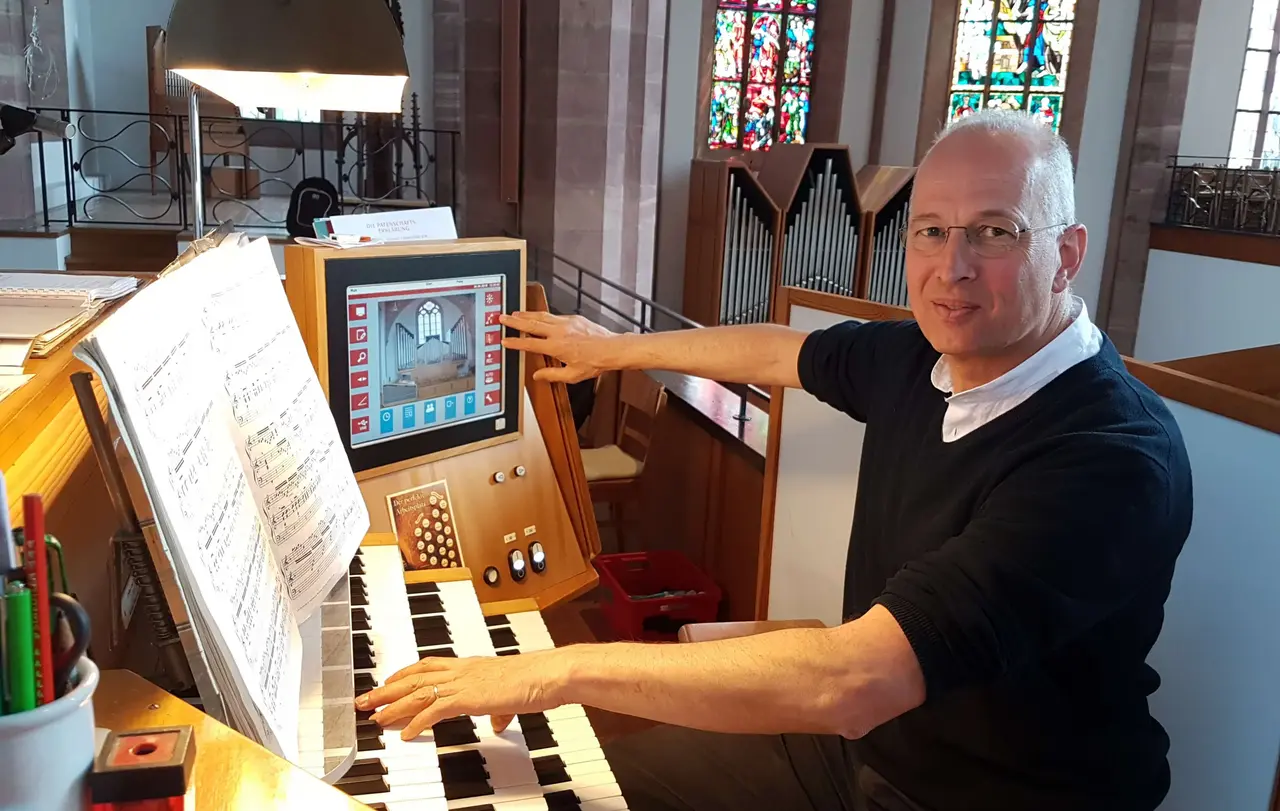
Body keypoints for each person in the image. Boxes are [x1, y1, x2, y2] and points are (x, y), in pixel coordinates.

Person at [355, 110, 1193, 811]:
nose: (953, 266)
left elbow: (857, 676)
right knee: (571, 789)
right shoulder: (923, 360)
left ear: (1070, 253)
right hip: (860, 754)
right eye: (932, 230)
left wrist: (549, 672)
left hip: (992, 795)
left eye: (995, 232)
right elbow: (780, 353)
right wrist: (613, 348)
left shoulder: (1110, 460)